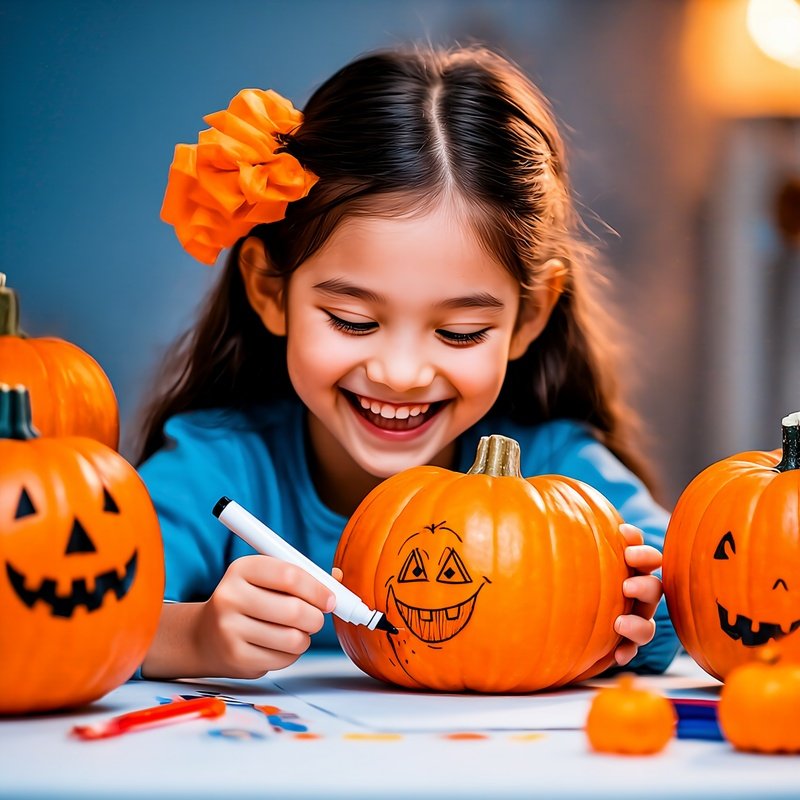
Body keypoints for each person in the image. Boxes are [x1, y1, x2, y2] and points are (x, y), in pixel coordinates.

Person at [136, 44, 680, 681]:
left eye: (459, 332)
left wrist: (637, 608)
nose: (400, 372)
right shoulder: (214, 467)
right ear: (269, 291)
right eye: (354, 321)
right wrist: (192, 636)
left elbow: (699, 593)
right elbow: (72, 616)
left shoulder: (563, 473)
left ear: (528, 318)